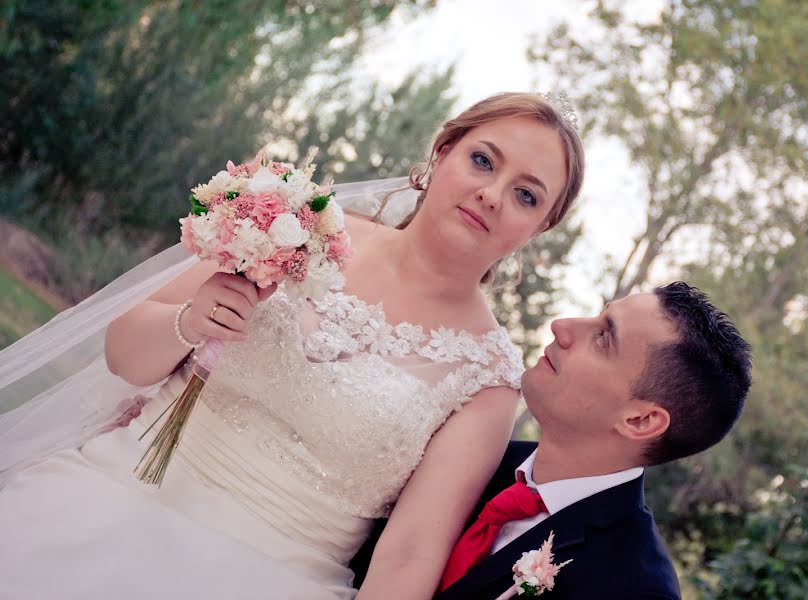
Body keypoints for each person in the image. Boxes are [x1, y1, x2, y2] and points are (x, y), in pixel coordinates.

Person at [0, 92, 584, 600]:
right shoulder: (300, 226)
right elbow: (123, 357)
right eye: (482, 160)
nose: (492, 194)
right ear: (442, 153)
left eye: (527, 196)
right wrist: (189, 319)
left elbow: (410, 554)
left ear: (539, 229)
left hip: (273, 577)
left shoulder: (487, 377)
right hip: (110, 495)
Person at [351, 282, 752, 599]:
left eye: (603, 338)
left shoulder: (634, 586)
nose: (563, 326)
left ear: (641, 419)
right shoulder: (475, 454)